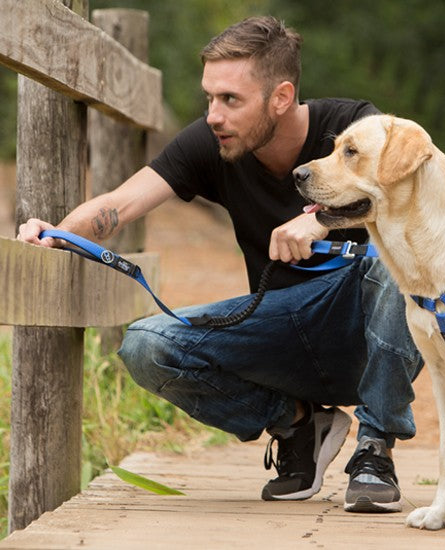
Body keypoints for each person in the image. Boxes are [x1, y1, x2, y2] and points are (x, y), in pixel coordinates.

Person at [18, 16, 423, 513]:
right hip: (281, 329)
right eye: (210, 97)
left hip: (373, 328)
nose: (213, 115)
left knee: (391, 263)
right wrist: (54, 234)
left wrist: (320, 221)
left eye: (230, 100)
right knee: (146, 346)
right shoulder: (212, 143)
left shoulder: (354, 128)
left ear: (280, 96)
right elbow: (120, 205)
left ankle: (375, 449)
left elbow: (410, 212)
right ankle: (298, 424)